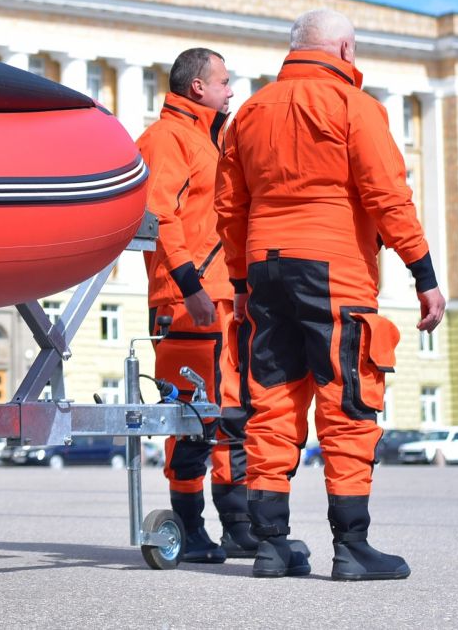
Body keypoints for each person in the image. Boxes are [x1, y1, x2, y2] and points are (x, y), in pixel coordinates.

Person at [216, 8, 446, 582]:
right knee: (348, 399)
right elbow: (388, 196)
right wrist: (423, 274)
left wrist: (242, 283)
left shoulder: (249, 111)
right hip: (332, 267)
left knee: (271, 400)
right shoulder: (355, 108)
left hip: (266, 270)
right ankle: (352, 546)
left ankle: (271, 546)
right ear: (344, 49)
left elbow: (229, 207)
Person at [134, 47, 257, 563]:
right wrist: (191, 287)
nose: (232, 90)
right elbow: (159, 215)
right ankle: (186, 525)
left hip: (222, 299)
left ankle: (237, 523)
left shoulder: (210, 140)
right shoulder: (166, 138)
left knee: (231, 416)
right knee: (191, 421)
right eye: (224, 82)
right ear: (197, 87)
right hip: (188, 303)